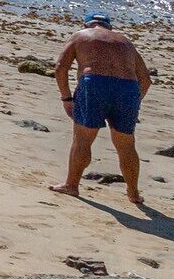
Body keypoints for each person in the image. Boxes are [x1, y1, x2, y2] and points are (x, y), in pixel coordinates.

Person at [51, 12, 152, 207]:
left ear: (87, 24)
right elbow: (146, 79)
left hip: (95, 83)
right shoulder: (125, 42)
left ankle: (72, 185)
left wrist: (66, 98)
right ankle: (133, 194)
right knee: (126, 144)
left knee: (82, 138)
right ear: (109, 27)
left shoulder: (80, 35)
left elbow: (60, 67)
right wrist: (134, 102)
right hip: (128, 88)